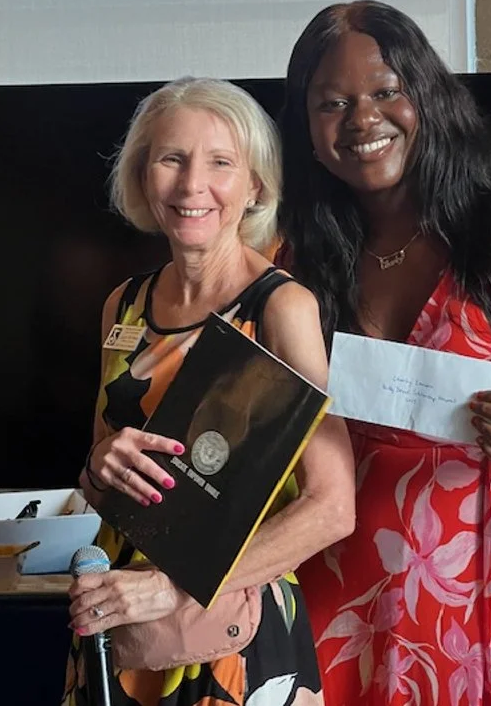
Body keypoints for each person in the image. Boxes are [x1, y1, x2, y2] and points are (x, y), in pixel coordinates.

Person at [277, 0, 491, 706]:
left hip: (481, 585)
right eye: (333, 103)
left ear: (428, 95)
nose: (362, 119)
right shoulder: (295, 260)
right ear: (305, 128)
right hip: (332, 584)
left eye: (386, 91)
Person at [61, 76, 356, 706]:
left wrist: (173, 585)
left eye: (221, 162)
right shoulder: (124, 305)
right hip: (122, 617)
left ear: (255, 186)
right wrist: (99, 463)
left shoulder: (281, 308)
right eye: (172, 158)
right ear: (143, 176)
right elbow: (103, 485)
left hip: (229, 631)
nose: (192, 184)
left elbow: (333, 507)